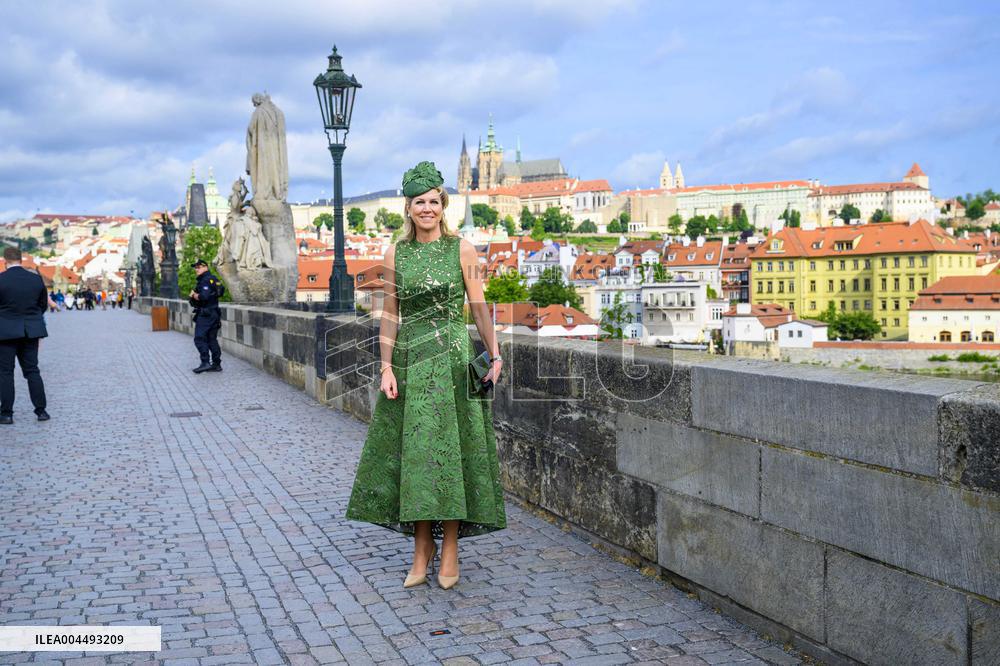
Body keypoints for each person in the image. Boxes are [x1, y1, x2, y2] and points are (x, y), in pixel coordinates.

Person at [344, 161, 506, 590]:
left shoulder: (463, 250)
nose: (428, 209)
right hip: (411, 363)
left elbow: (478, 308)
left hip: (453, 361)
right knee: (415, 456)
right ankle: (422, 548)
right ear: (409, 207)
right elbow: (390, 316)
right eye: (420, 202)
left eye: (435, 202)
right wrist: (384, 367)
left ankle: (449, 547)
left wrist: (495, 353)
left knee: (453, 454)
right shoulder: (395, 253)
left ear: (443, 206)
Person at [0, 247, 50, 424]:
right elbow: (42, 305)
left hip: (5, 332)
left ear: (5, 261)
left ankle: (6, 414)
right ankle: (41, 411)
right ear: (21, 260)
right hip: (30, 331)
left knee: (5, 373)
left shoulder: (1, 280)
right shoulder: (36, 280)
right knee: (32, 371)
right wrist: (31, 319)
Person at [188, 259, 223, 373]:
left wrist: (194, 295)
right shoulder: (214, 279)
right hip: (214, 312)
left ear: (205, 267)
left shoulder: (205, 280)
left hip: (206, 314)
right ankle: (216, 364)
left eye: (198, 267)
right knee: (211, 339)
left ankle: (205, 363)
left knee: (199, 338)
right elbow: (220, 292)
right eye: (195, 267)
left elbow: (204, 297)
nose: (196, 269)